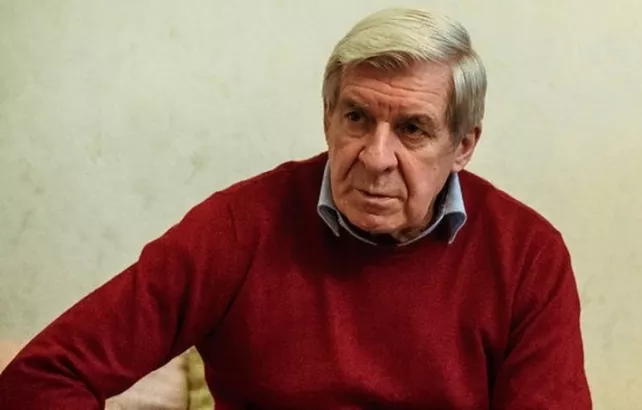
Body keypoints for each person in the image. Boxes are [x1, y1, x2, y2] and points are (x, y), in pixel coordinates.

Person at [0, 7, 591, 409]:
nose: (375, 157)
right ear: (328, 116)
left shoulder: (526, 254)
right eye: (357, 117)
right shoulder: (240, 227)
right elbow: (44, 378)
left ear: (463, 145)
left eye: (412, 129)